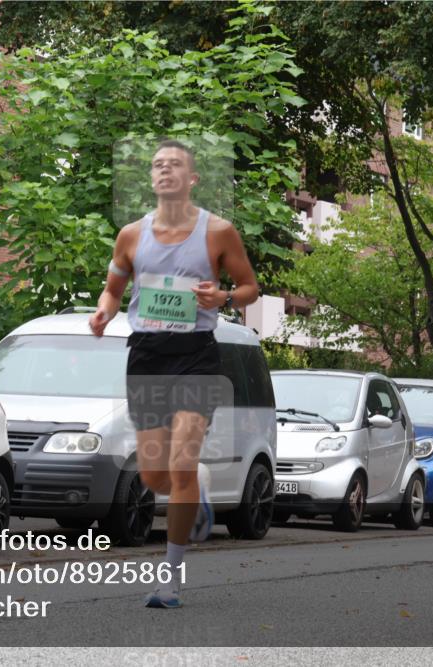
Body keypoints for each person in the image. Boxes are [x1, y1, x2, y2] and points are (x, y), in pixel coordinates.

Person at [89, 139, 258, 608]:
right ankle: (195, 490)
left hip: (195, 355)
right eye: (158, 165)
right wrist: (103, 314)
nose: (165, 171)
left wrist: (222, 298)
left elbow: (249, 288)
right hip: (145, 355)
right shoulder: (130, 235)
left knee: (181, 464)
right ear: (151, 177)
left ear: (192, 178)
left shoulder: (218, 232)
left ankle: (170, 576)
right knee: (155, 476)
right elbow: (112, 291)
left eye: (175, 165)